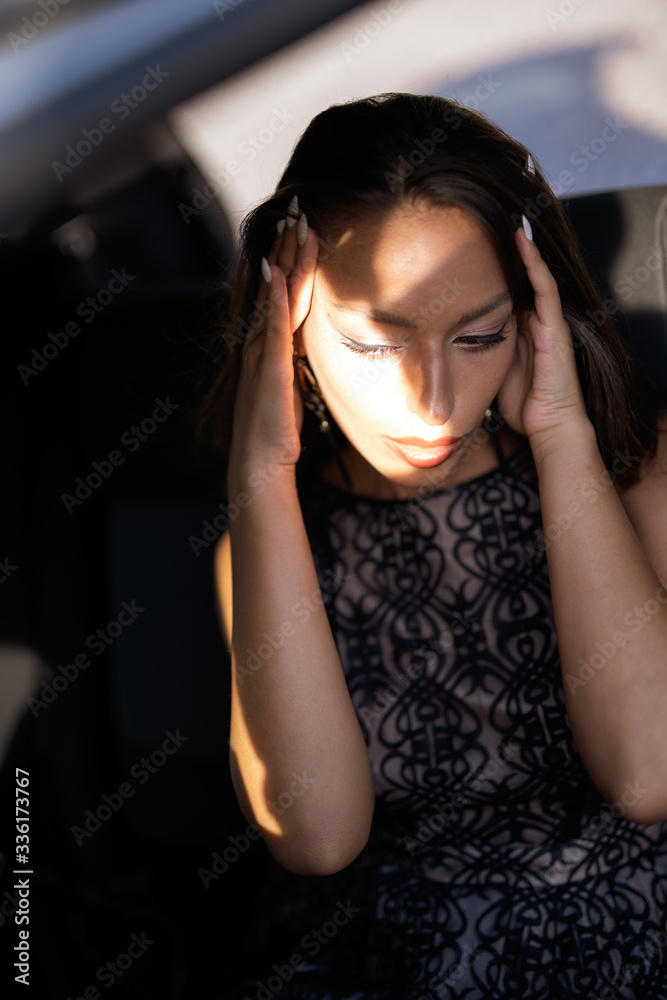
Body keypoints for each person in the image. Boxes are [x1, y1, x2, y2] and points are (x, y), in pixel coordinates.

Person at [199, 93, 667, 999]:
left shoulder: (638, 470)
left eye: (479, 335)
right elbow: (316, 838)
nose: (435, 402)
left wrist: (562, 436)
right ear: (288, 329)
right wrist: (260, 475)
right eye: (376, 343)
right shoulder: (264, 548)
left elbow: (649, 776)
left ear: (530, 320)